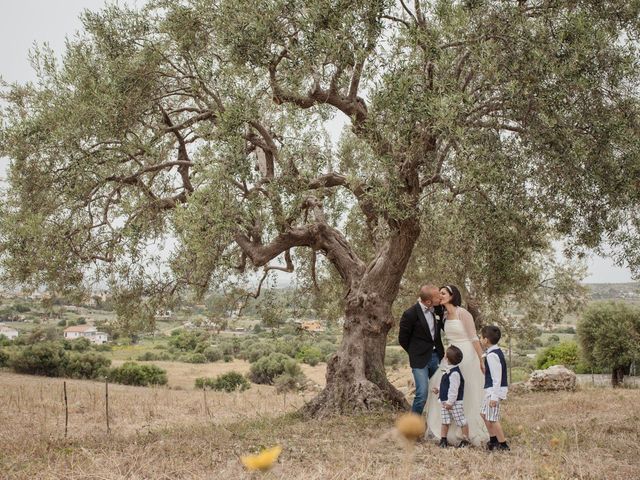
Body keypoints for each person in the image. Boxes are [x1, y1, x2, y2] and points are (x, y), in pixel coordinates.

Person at [426, 285, 489, 446]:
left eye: (443, 293)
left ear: (452, 296)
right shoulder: (444, 315)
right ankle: (445, 431)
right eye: (439, 293)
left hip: (467, 354)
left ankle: (467, 431)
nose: (440, 295)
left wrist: (481, 359)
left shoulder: (463, 313)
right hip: (451, 355)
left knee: (466, 391)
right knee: (441, 387)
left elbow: (474, 338)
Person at [398, 284, 445, 415]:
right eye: (437, 296)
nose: (440, 298)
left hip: (437, 356)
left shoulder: (438, 309)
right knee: (422, 394)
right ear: (428, 301)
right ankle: (413, 428)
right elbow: (403, 339)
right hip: (419, 360)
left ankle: (437, 425)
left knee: (440, 390)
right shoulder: (410, 314)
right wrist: (415, 353)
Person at [431, 345, 471, 448]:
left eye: (445, 354)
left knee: (461, 421)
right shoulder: (448, 370)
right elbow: (445, 385)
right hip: (445, 403)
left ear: (447, 358)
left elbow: (454, 389)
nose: (444, 355)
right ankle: (443, 440)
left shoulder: (455, 373)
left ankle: (466, 440)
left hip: (454, 403)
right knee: (445, 421)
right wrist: (438, 389)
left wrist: (450, 402)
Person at [480, 325, 510, 451]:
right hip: (491, 390)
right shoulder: (493, 352)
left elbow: (497, 378)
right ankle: (493, 440)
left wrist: (494, 396)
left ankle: (503, 444)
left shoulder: (492, 355)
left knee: (492, 418)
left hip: (494, 391)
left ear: (486, 340)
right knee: (483, 414)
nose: (480, 339)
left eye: (481, 337)